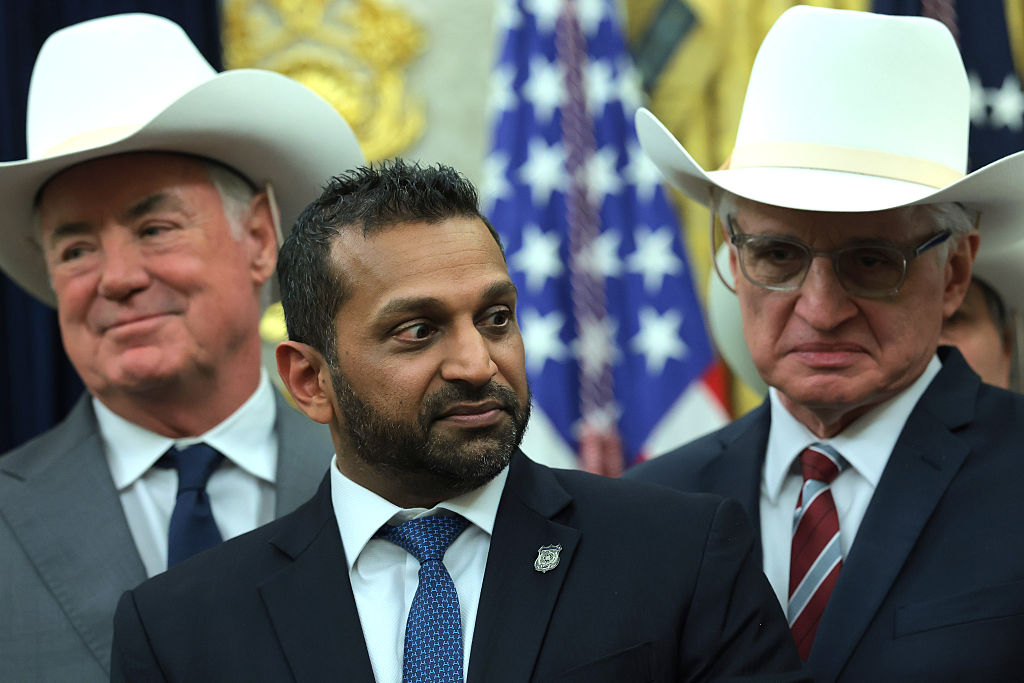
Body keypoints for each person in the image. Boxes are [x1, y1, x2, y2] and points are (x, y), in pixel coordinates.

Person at [109, 160, 807, 682]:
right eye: (417, 330)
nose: (478, 362)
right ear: (309, 379)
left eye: (496, 317)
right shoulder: (182, 627)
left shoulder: (679, 554)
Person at [626, 6, 1024, 681]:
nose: (820, 308)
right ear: (731, 254)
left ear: (955, 272)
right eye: (779, 255)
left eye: (870, 261)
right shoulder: (646, 508)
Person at [0, 13, 364, 682]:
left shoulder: (394, 482)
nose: (117, 277)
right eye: (77, 248)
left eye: (156, 227)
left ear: (258, 238)